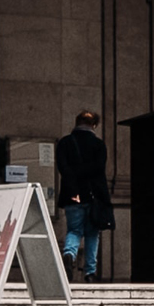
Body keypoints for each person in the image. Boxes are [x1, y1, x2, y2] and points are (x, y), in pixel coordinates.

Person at [58, 107, 113, 281]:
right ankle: (90, 272)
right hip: (93, 195)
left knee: (74, 230)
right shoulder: (98, 144)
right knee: (92, 233)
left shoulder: (65, 143)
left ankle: (69, 254)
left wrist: (74, 175)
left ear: (76, 123)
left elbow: (63, 168)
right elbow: (99, 168)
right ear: (94, 125)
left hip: (72, 194)